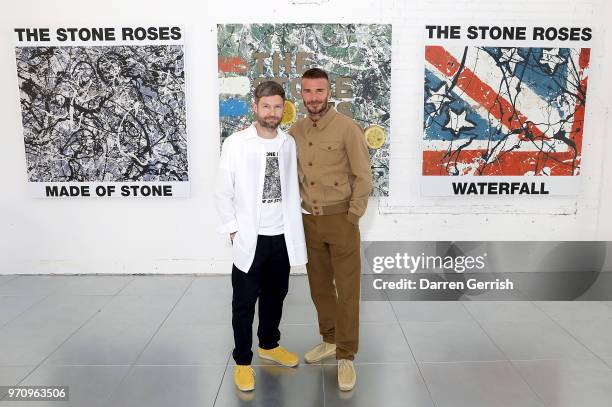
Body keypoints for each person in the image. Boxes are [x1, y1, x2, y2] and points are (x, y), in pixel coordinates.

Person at [215, 81, 308, 392]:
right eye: (266, 106)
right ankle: (243, 361)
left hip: (280, 235)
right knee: (243, 302)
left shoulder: (287, 143)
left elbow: (291, 189)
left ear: (284, 108)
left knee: (276, 296)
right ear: (255, 107)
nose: (272, 112)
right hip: (250, 237)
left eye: (277, 106)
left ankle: (269, 344)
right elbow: (222, 190)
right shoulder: (237, 143)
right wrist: (233, 229)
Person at [288, 68, 372, 391]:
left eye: (319, 91)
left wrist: (353, 216)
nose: (313, 98)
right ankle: (330, 340)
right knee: (319, 286)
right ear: (302, 93)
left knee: (348, 290)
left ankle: (346, 355)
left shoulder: (347, 128)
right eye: (307, 92)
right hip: (309, 221)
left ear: (329, 92)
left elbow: (364, 176)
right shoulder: (294, 131)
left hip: (341, 220)